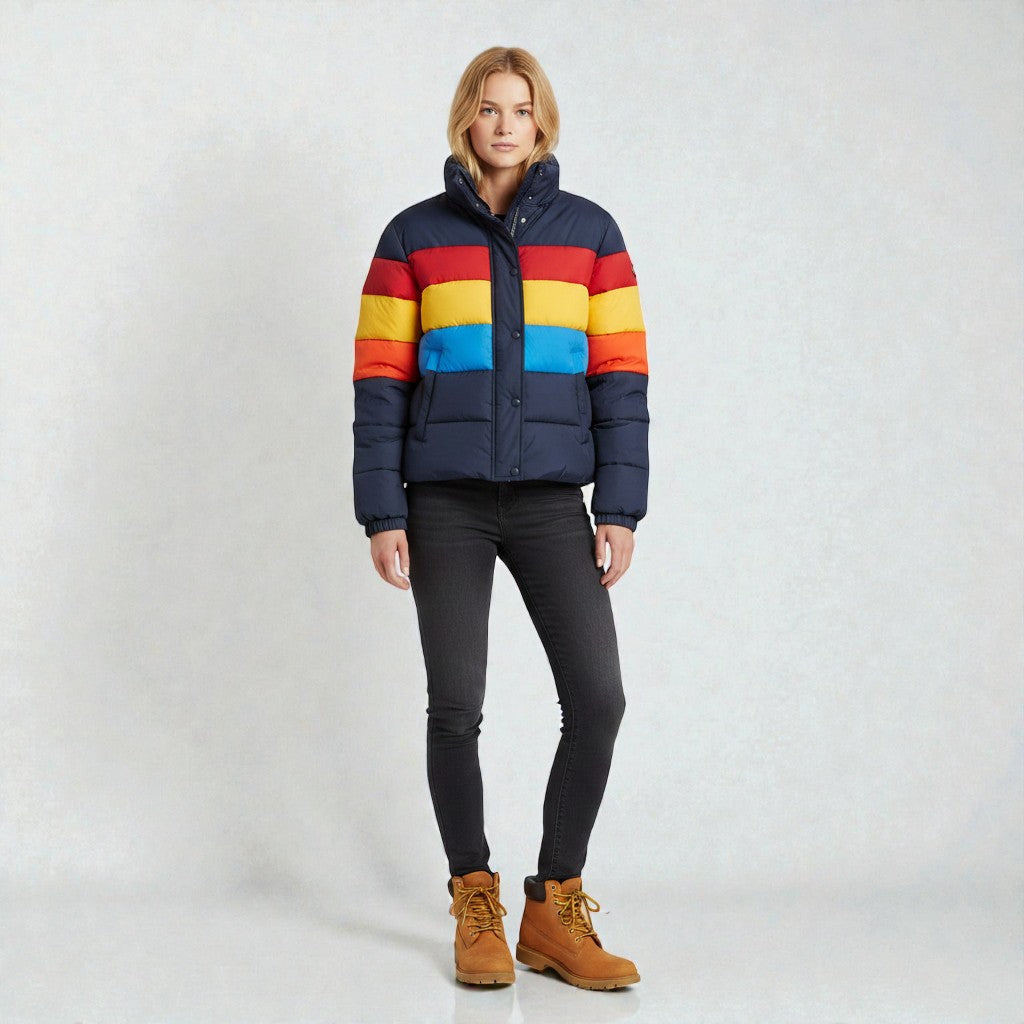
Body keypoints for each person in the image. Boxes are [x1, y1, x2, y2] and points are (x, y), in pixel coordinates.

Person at [351, 45, 649, 990]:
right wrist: (381, 511)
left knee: (598, 698)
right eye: (489, 108)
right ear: (465, 120)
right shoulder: (412, 237)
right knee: (456, 703)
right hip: (443, 502)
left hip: (553, 502)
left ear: (542, 120)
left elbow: (621, 378)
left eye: (522, 109)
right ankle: (472, 897)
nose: (506, 125)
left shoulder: (593, 235)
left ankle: (554, 906)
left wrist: (622, 506)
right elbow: (380, 382)